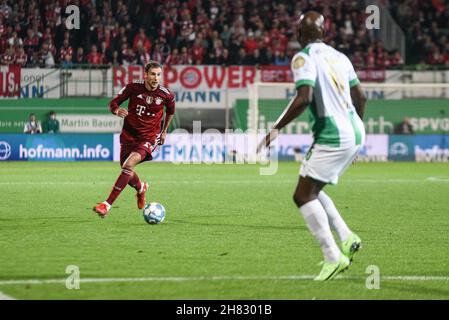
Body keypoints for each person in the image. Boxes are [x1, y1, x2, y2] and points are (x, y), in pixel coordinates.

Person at [257, 11, 367, 281]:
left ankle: (332, 257)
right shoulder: (340, 57)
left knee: (302, 195)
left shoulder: (302, 57)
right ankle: (346, 236)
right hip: (355, 130)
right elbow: (361, 96)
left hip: (332, 133)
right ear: (324, 33)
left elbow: (304, 97)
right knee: (312, 187)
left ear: (298, 35)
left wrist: (276, 129)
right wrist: (355, 135)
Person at [93, 61, 175, 217]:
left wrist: (164, 131)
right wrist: (116, 110)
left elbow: (170, 112)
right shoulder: (132, 88)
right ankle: (141, 188)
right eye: (152, 74)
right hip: (129, 135)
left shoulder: (167, 95)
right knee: (126, 168)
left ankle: (106, 205)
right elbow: (113, 103)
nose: (156, 78)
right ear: (145, 75)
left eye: (158, 75)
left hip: (149, 137)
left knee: (128, 164)